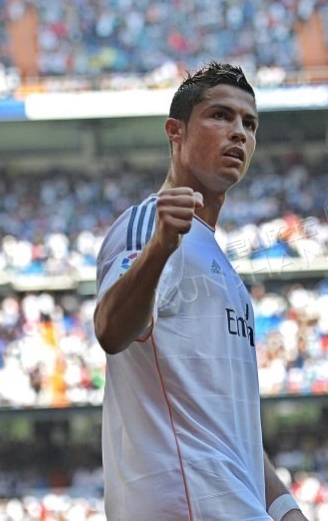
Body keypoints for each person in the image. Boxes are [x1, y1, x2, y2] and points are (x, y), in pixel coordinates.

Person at [94, 62, 306, 521]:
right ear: (176, 132)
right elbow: (111, 330)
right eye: (220, 116)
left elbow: (234, 434)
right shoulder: (148, 225)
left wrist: (289, 513)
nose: (239, 133)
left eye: (249, 124)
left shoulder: (220, 263)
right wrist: (160, 247)